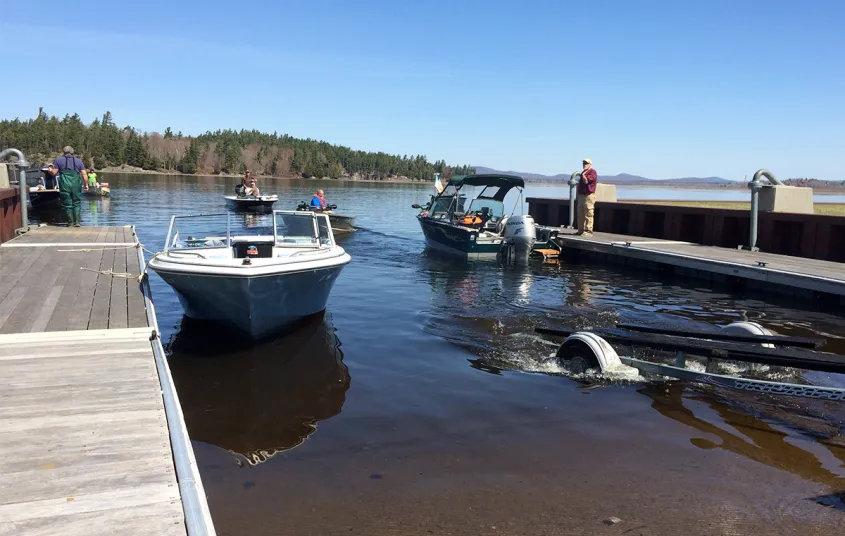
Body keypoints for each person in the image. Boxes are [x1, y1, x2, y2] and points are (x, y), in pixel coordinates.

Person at [49, 146, 88, 226]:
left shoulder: (58, 160)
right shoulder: (78, 161)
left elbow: (54, 173)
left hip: (65, 184)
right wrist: (86, 185)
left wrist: (50, 169)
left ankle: (70, 223)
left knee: (67, 204)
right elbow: (84, 174)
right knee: (76, 203)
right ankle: (77, 222)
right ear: (72, 152)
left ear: (64, 152)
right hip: (76, 184)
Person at [576, 158, 597, 236]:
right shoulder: (583, 173)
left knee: (588, 213)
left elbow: (586, 181)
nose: (584, 165)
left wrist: (584, 175)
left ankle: (588, 231)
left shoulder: (592, 172)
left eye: (586, 163)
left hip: (589, 195)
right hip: (581, 196)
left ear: (590, 164)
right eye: (583, 163)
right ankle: (580, 230)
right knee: (580, 213)